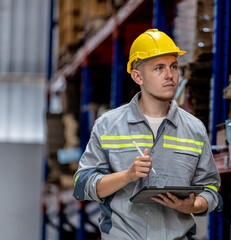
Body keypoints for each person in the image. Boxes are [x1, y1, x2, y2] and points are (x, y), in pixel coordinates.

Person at [73, 29, 222, 240]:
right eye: (159, 68)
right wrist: (128, 175)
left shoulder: (195, 129)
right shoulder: (108, 125)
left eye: (174, 67)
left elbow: (210, 188)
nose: (170, 75)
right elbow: (83, 184)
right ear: (137, 76)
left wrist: (194, 204)